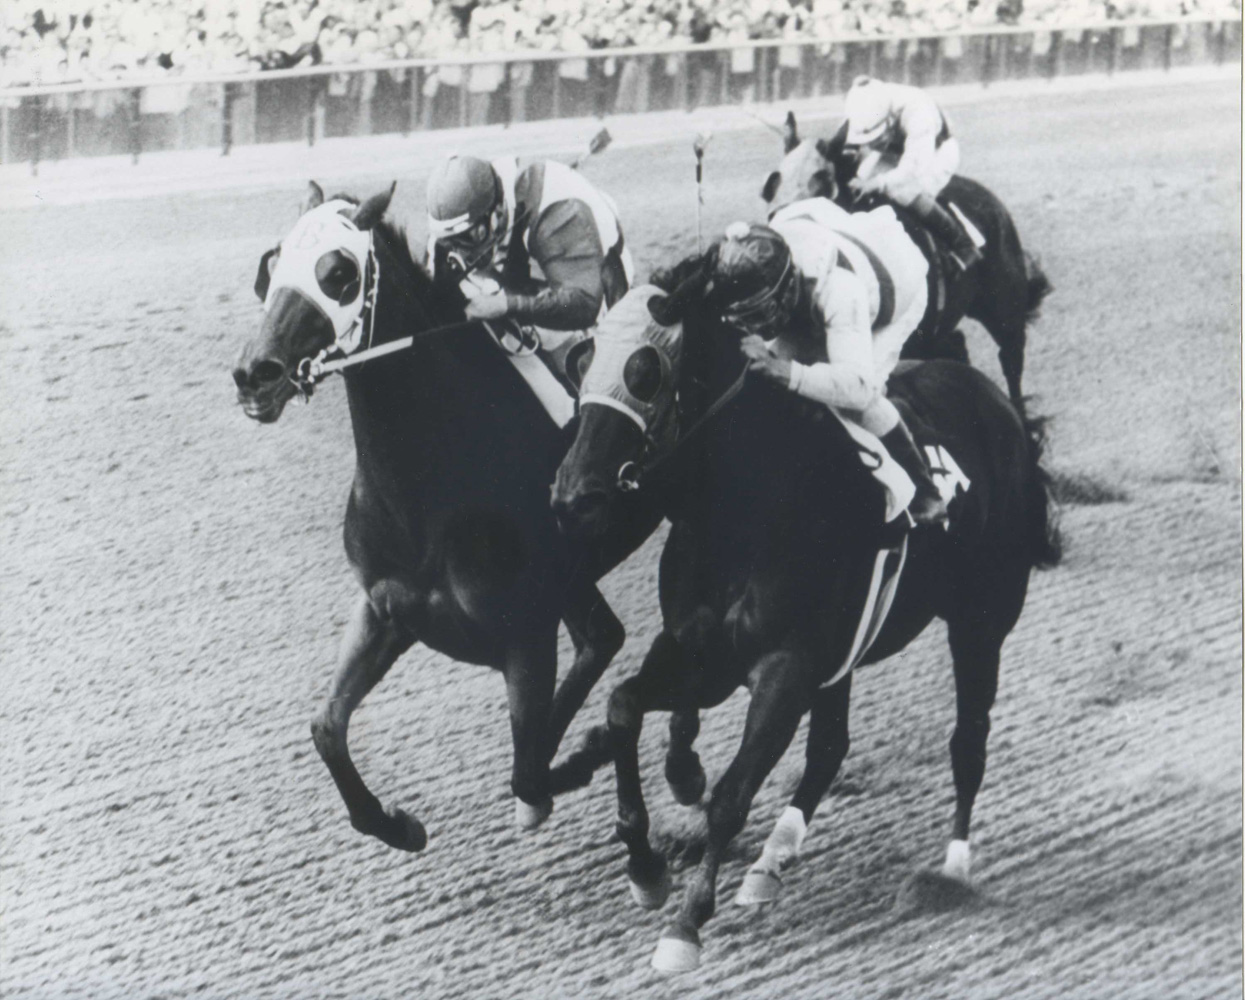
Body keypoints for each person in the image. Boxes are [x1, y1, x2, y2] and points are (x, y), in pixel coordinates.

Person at [709, 208, 949, 526]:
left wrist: (787, 371)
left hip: (893, 292)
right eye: (745, 315)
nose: (754, 326)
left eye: (760, 312)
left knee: (855, 403)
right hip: (828, 241)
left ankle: (925, 493)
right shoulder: (752, 258)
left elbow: (857, 385)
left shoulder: (841, 290)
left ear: (786, 288)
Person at [424, 153, 633, 367]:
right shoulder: (469, 210)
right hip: (541, 260)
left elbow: (584, 305)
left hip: (597, 291)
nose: (464, 252)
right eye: (452, 241)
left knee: (590, 369)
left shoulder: (557, 213)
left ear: (497, 211)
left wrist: (506, 305)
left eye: (472, 236)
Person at [832, 75, 982, 272]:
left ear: (890, 117)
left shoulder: (918, 113)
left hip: (936, 152)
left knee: (904, 191)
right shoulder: (864, 101)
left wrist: (875, 183)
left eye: (875, 137)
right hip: (897, 149)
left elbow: (911, 170)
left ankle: (963, 245)